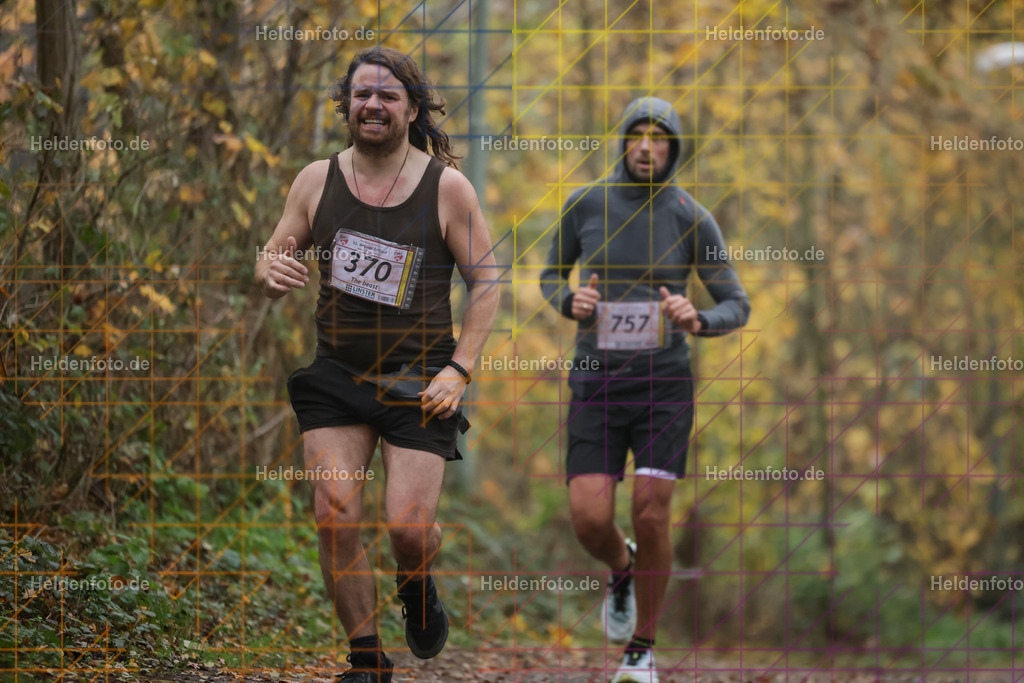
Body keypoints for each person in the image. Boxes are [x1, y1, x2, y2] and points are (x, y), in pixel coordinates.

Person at [255, 46, 498, 682]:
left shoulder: (446, 187)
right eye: (363, 94)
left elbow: (488, 284)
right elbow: (276, 250)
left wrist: (460, 369)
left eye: (388, 96)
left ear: (411, 109)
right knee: (335, 512)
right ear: (347, 104)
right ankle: (367, 659)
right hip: (337, 375)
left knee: (408, 530)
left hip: (422, 380)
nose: (373, 105)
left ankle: (417, 586)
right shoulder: (315, 179)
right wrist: (271, 266)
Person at [540, 96, 750, 683]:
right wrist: (568, 300)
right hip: (596, 382)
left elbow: (737, 302)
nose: (647, 146)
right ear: (624, 142)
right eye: (638, 134)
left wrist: (697, 317)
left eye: (660, 138)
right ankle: (622, 565)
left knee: (653, 514)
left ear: (673, 149)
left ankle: (643, 649)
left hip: (665, 385)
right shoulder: (587, 204)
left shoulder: (690, 215)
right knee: (588, 518)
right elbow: (550, 273)